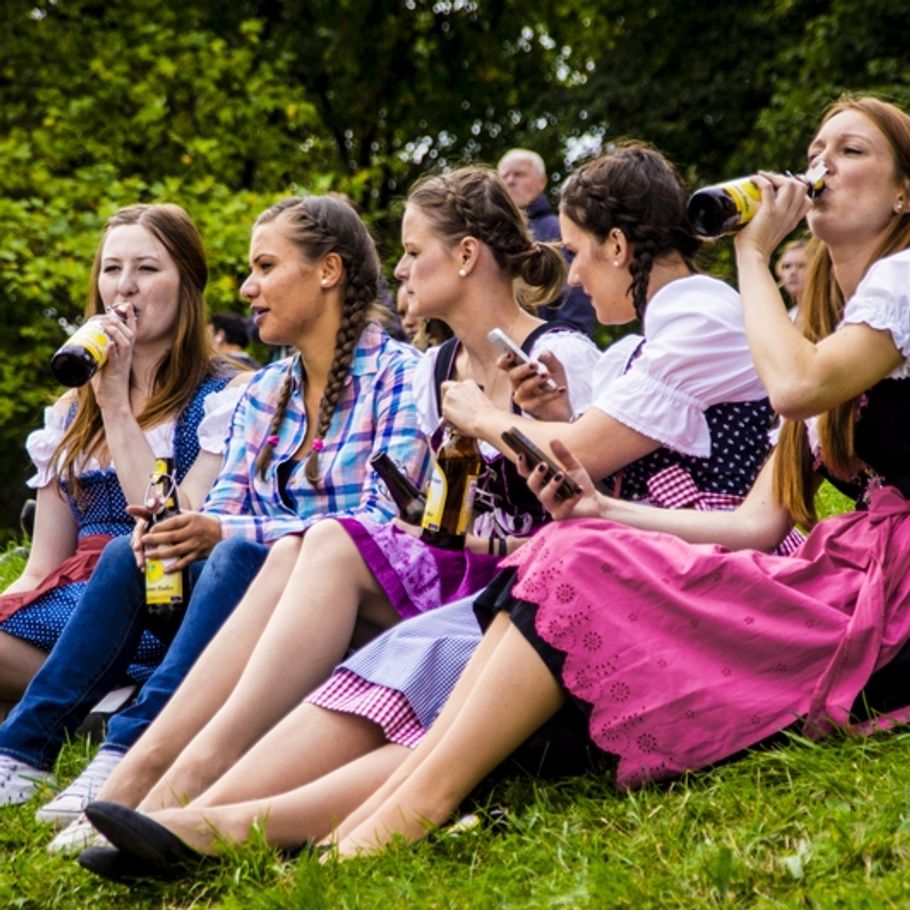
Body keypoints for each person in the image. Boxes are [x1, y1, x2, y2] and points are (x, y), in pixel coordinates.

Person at [73, 145, 794, 875]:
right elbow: (525, 495)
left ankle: (197, 803)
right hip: (546, 568)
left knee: (341, 571)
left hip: (591, 573)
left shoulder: (651, 326)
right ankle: (178, 798)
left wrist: (500, 423)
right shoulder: (470, 367)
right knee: (330, 574)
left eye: (414, 250)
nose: (570, 274)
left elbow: (589, 470)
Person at [288, 94, 910, 857]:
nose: (821, 166)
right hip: (853, 567)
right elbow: (758, 524)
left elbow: (796, 387)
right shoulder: (813, 326)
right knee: (563, 550)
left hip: (894, 586)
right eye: (817, 147)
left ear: (904, 192)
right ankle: (387, 806)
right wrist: (600, 511)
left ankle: (403, 810)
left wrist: (751, 252)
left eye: (850, 151)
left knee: (543, 581)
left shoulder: (899, 284)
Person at [56, 165, 597, 853]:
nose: (399, 267)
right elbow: (432, 516)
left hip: (504, 583)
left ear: (465, 256)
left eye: (410, 250)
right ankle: (150, 775)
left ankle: (183, 781)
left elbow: (584, 512)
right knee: (262, 548)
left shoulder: (541, 358)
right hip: (425, 567)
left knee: (302, 543)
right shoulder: (433, 371)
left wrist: (522, 421)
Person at [0, 195, 428, 825]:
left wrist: (220, 530)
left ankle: (132, 748)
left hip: (337, 604)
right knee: (127, 550)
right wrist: (172, 532)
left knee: (234, 550)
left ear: (328, 271)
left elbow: (377, 525)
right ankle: (24, 748)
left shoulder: (399, 376)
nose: (249, 287)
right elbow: (224, 504)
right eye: (112, 270)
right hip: (242, 600)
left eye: (264, 267)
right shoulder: (266, 389)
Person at [0, 204, 242, 719]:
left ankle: (99, 699)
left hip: (154, 600)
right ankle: (92, 706)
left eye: (147, 268)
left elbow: (165, 527)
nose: (124, 287)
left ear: (187, 284)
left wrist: (114, 403)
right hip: (67, 600)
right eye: (112, 269)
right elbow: (41, 567)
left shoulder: (226, 394)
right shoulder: (69, 412)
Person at [498, 148, 596, 336]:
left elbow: (576, 301)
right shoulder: (492, 237)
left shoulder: (559, 231)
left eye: (519, 174)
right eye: (505, 176)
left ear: (542, 181)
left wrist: (564, 342)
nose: (510, 181)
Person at [775, 237, 809, 310]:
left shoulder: (831, 315)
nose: (792, 272)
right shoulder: (788, 316)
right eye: (787, 266)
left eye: (801, 266)